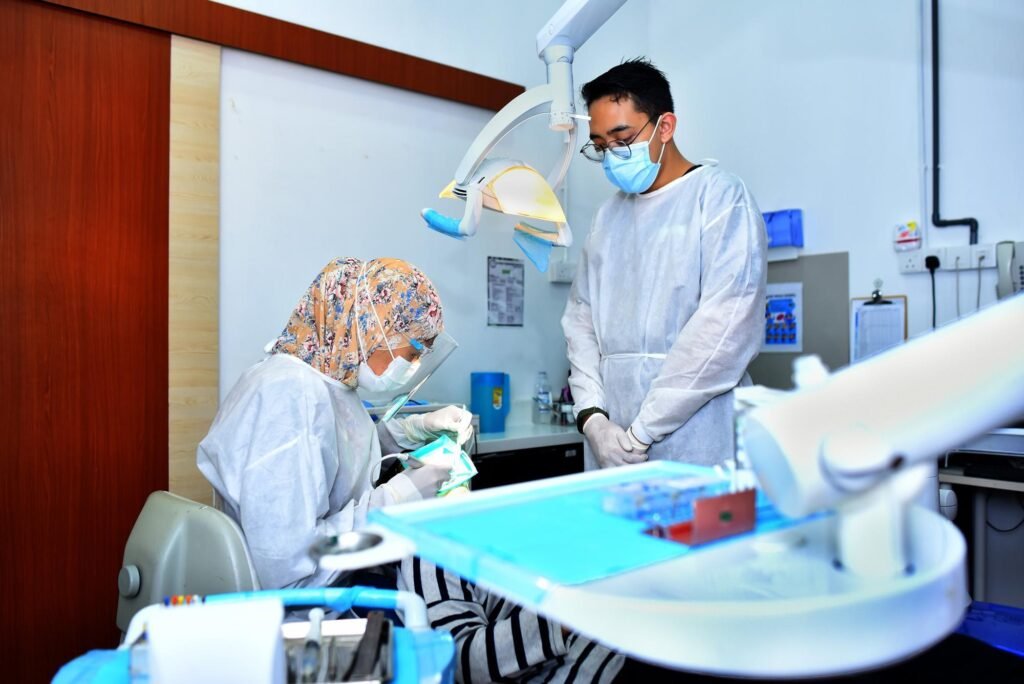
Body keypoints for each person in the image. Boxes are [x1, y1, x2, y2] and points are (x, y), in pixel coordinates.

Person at [198, 257, 473, 590]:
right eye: (415, 350)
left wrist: (410, 430)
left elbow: (335, 454)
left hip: (334, 585)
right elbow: (290, 565)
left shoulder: (324, 383)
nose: (414, 364)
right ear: (370, 325)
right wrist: (397, 498)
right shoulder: (289, 395)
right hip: (300, 609)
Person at [562, 58, 767, 470]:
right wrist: (594, 420)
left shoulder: (719, 198)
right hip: (611, 447)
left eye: (622, 139)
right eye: (600, 146)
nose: (611, 155)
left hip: (698, 441)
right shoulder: (607, 218)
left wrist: (642, 432)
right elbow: (580, 323)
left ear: (665, 126)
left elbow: (724, 330)